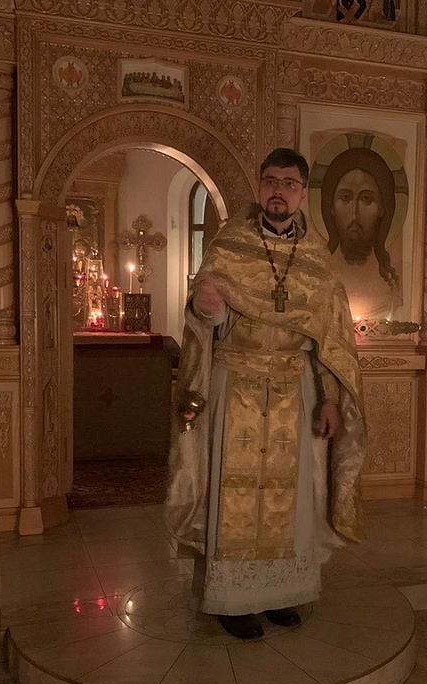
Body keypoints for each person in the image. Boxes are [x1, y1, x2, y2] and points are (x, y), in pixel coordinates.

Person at [166, 148, 367, 641]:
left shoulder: (317, 262)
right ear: (260, 186)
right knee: (231, 491)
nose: (279, 191)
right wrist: (206, 304)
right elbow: (204, 322)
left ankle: (280, 593)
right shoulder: (229, 245)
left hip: (294, 390)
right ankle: (232, 600)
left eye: (290, 183)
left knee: (290, 495)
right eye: (271, 181)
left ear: (302, 192)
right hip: (234, 383)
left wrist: (330, 399)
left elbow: (331, 340)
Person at [322, 147, 402, 319]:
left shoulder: (391, 286)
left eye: (366, 199)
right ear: (331, 206)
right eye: (345, 197)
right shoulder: (318, 277)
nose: (354, 214)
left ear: (382, 208)